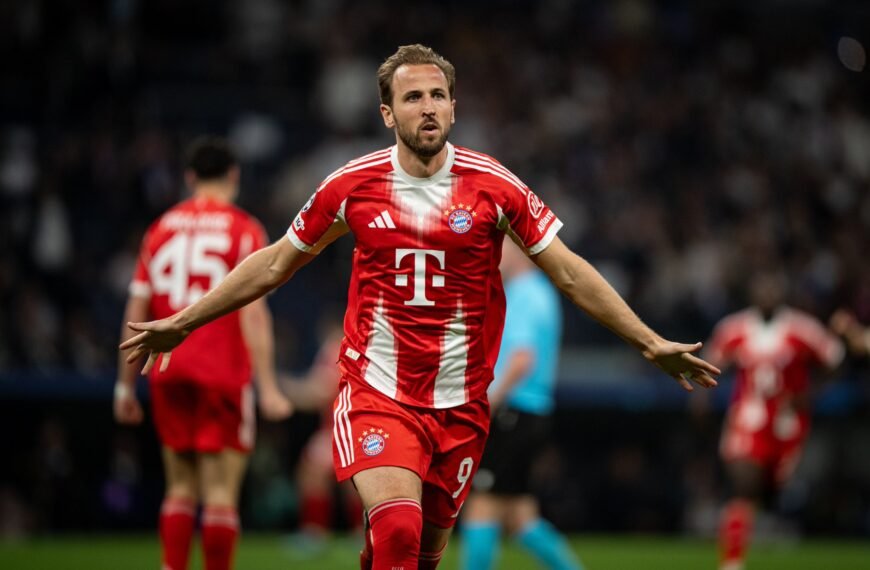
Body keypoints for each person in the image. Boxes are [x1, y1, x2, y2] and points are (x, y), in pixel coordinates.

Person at [120, 44, 719, 570]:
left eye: (439, 95)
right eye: (413, 97)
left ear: (454, 107)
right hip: (377, 391)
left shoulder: (495, 186)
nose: (428, 106)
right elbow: (275, 262)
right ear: (388, 113)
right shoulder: (352, 185)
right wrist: (182, 322)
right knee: (400, 530)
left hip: (460, 405)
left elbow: (568, 270)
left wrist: (647, 341)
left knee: (417, 555)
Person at [113, 136, 293, 570]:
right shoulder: (245, 228)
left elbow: (136, 310)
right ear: (234, 175)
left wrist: (123, 387)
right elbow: (253, 314)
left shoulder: (160, 229)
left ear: (190, 177)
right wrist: (268, 386)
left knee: (179, 488)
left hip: (166, 369)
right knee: (219, 494)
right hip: (222, 372)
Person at [701, 271, 843, 570]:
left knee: (774, 493)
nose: (767, 295)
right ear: (752, 294)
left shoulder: (803, 329)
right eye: (761, 289)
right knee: (742, 485)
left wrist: (811, 392)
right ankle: (732, 563)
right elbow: (712, 364)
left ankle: (777, 526)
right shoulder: (734, 328)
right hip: (747, 420)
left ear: (783, 293)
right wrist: (700, 398)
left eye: (773, 289)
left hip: (787, 425)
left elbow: (834, 359)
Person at [460, 240, 582, 570]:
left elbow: (521, 360)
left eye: (501, 248)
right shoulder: (538, 292)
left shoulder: (525, 294)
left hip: (514, 411)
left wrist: (486, 402)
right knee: (519, 515)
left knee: (482, 507)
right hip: (532, 412)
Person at [281, 317, 364, 550]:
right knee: (312, 472)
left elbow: (321, 390)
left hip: (350, 428)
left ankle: (359, 531)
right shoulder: (332, 350)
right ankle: (314, 532)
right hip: (333, 429)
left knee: (350, 479)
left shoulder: (343, 349)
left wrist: (288, 389)